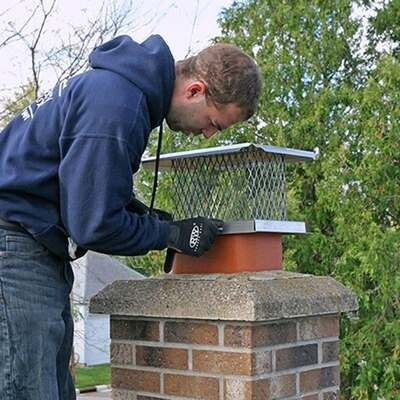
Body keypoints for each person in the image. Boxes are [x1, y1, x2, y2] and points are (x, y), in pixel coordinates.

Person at [0, 35, 261, 399]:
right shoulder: (116, 103)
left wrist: (154, 220)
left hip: (33, 246)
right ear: (195, 90)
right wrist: (167, 235)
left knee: (53, 389)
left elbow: (85, 193)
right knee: (28, 388)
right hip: (14, 244)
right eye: (214, 123)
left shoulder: (121, 94)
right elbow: (95, 224)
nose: (206, 134)